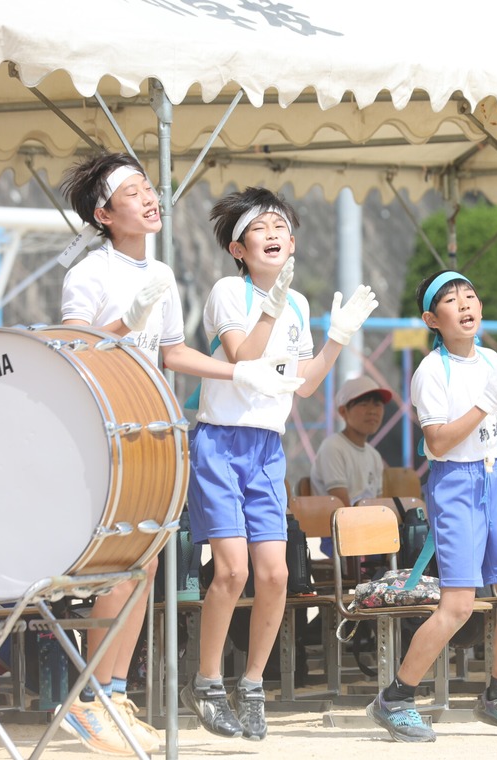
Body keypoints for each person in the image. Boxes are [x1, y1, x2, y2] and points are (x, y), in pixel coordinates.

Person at [58, 154, 301, 755]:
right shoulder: (88, 273)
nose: (149, 198)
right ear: (103, 213)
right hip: (104, 424)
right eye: (134, 191)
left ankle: (113, 694)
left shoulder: (161, 272)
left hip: (154, 425)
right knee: (118, 563)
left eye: (150, 188)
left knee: (144, 564)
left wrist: (241, 374)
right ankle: (87, 700)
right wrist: (121, 323)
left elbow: (171, 352)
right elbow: (70, 348)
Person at [181, 187, 378, 741]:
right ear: (237, 248)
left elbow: (307, 383)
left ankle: (250, 684)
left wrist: (337, 339)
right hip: (221, 443)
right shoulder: (228, 290)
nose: (273, 234)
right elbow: (244, 356)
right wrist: (269, 307)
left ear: (292, 243)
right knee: (233, 571)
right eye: (260, 228)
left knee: (276, 574)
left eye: (281, 228)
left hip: (267, 446)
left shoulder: (297, 303)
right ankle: (207, 682)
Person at [366, 270, 497, 743]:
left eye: (470, 294)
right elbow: (440, 443)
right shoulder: (432, 371)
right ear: (432, 318)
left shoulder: (490, 358)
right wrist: (488, 404)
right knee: (458, 605)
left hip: (492, 477)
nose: (464, 303)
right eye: (450, 299)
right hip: (454, 484)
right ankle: (397, 698)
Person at [310, 375, 392, 556]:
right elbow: (342, 506)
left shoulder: (374, 456)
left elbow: (378, 504)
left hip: (369, 530)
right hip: (337, 534)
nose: (372, 411)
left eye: (377, 404)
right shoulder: (333, 447)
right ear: (343, 412)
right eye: (364, 404)